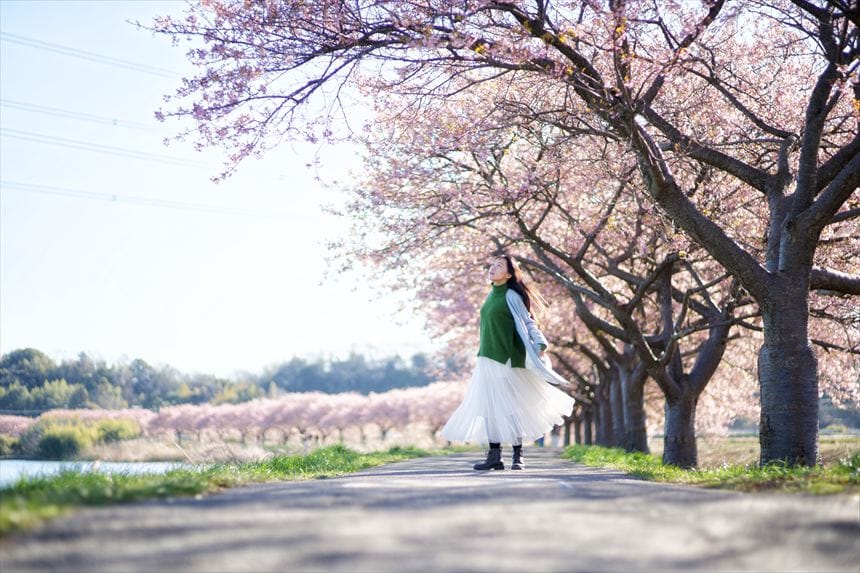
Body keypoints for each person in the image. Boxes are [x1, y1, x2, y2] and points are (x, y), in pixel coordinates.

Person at [441, 254, 576, 470]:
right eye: (492, 265)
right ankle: (494, 457)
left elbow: (528, 321)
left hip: (506, 359)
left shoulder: (511, 296)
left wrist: (540, 342)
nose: (493, 268)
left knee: (510, 407)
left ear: (509, 274)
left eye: (499, 266)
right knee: (489, 409)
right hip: (486, 358)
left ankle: (517, 456)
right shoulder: (491, 295)